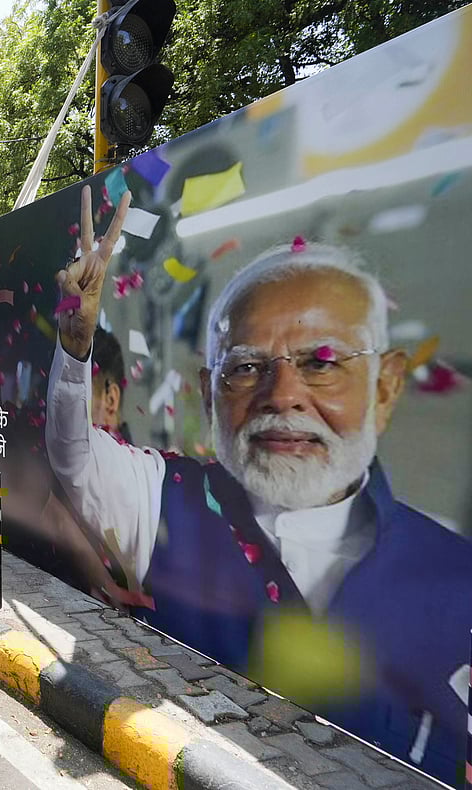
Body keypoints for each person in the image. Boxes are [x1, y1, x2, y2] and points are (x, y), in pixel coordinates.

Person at [44, 186, 472, 782]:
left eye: (322, 362)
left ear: (385, 387)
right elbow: (75, 456)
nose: (283, 395)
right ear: (209, 393)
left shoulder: (456, 577)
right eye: (246, 367)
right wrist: (75, 347)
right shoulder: (165, 497)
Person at [41, 327, 139, 607]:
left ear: (110, 400)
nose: (60, 413)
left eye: (76, 397)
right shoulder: (60, 460)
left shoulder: (136, 481)